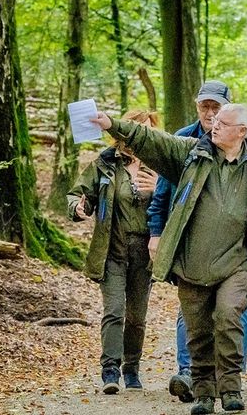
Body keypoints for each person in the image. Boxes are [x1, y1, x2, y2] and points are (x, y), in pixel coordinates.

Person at [92, 103, 247, 415]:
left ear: (242, 132)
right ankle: (205, 394)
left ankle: (231, 387)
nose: (215, 125)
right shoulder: (192, 153)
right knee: (197, 332)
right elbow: (153, 140)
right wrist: (111, 123)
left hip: (235, 264)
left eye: (223, 122)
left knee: (228, 317)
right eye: (215, 120)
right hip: (191, 263)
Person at [149, 80, 247, 403]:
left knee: (235, 309)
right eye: (205, 106)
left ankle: (230, 375)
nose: (210, 113)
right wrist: (156, 234)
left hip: (235, 250)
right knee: (192, 312)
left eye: (216, 107)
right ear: (197, 106)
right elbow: (161, 195)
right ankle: (190, 372)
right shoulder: (183, 140)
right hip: (190, 244)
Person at [71, 110, 162, 394]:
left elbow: (180, 199)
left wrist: (159, 187)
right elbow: (78, 193)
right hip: (112, 248)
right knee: (114, 310)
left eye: (146, 129)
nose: (139, 134)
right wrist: (77, 207)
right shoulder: (105, 163)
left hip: (145, 251)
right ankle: (110, 369)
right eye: (135, 128)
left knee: (137, 316)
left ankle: (131, 367)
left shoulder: (160, 165)